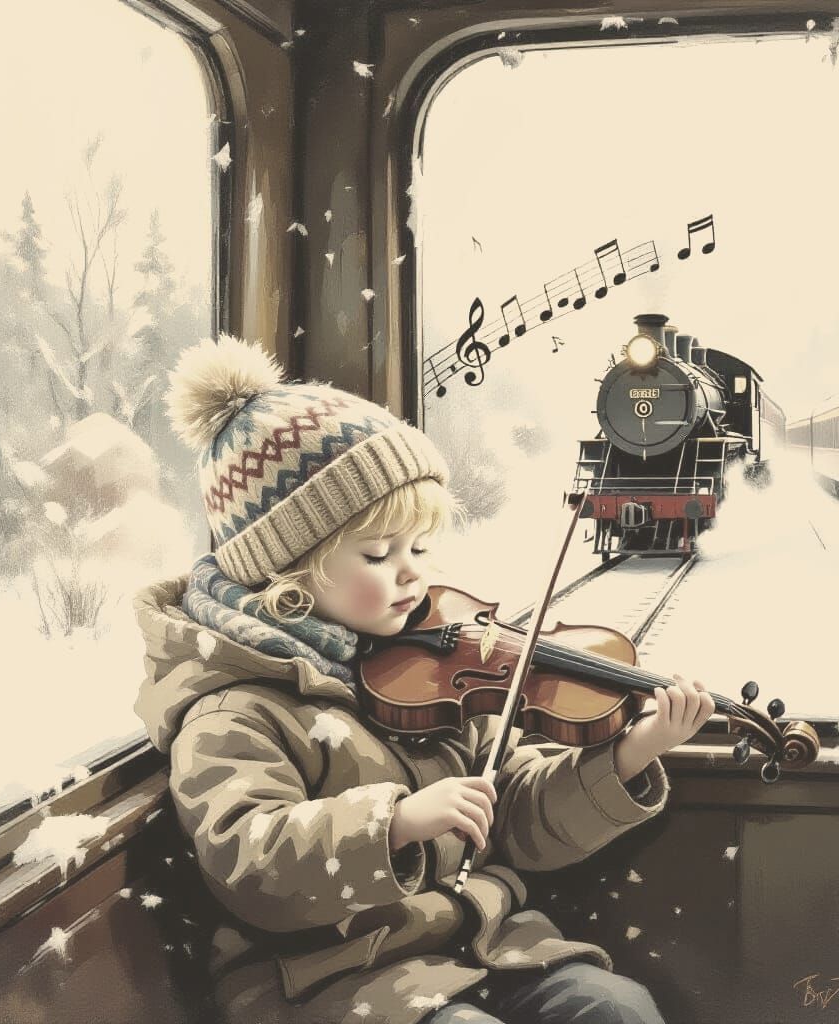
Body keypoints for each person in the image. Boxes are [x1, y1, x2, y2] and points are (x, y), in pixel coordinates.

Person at [132, 334, 716, 1024]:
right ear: (285, 573)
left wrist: (629, 754)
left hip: (481, 947)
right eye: (380, 554)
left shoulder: (425, 667)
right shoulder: (232, 711)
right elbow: (250, 864)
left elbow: (520, 817)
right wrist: (395, 823)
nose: (415, 573)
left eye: (420, 547)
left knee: (617, 1011)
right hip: (333, 982)